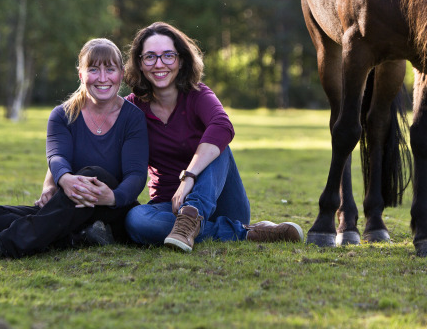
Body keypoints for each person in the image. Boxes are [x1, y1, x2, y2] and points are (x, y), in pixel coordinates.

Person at [123, 22, 303, 252]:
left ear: (181, 60)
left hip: (222, 203)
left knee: (217, 144)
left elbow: (223, 126)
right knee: (137, 220)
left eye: (168, 55)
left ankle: (193, 216)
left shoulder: (197, 94)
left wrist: (189, 176)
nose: (159, 64)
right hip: (169, 205)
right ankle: (245, 233)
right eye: (150, 57)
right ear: (139, 62)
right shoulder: (133, 107)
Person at [0, 38, 149, 259]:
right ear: (81, 74)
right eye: (93, 69)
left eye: (110, 69)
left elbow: (136, 174)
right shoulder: (62, 115)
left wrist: (113, 197)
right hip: (69, 203)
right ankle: (77, 237)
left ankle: (3, 246)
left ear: (121, 74)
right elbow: (57, 156)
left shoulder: (133, 117)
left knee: (93, 175)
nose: (102, 78)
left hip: (114, 210)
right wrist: (63, 179)